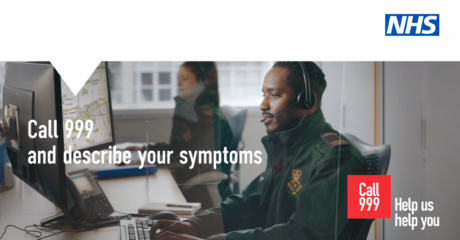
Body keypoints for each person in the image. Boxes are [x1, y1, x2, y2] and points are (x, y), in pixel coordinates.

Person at [150, 62, 368, 240]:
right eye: (263, 94)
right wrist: (194, 225)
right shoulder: (289, 148)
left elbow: (304, 234)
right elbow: (248, 203)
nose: (263, 105)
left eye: (274, 95)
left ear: (306, 101)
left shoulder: (341, 159)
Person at [127, 62, 234, 208]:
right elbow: (178, 148)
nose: (178, 84)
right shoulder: (189, 109)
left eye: (184, 78)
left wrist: (151, 159)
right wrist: (146, 150)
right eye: (178, 78)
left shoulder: (209, 118)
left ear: (201, 83)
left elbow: (193, 160)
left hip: (199, 190)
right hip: (186, 179)